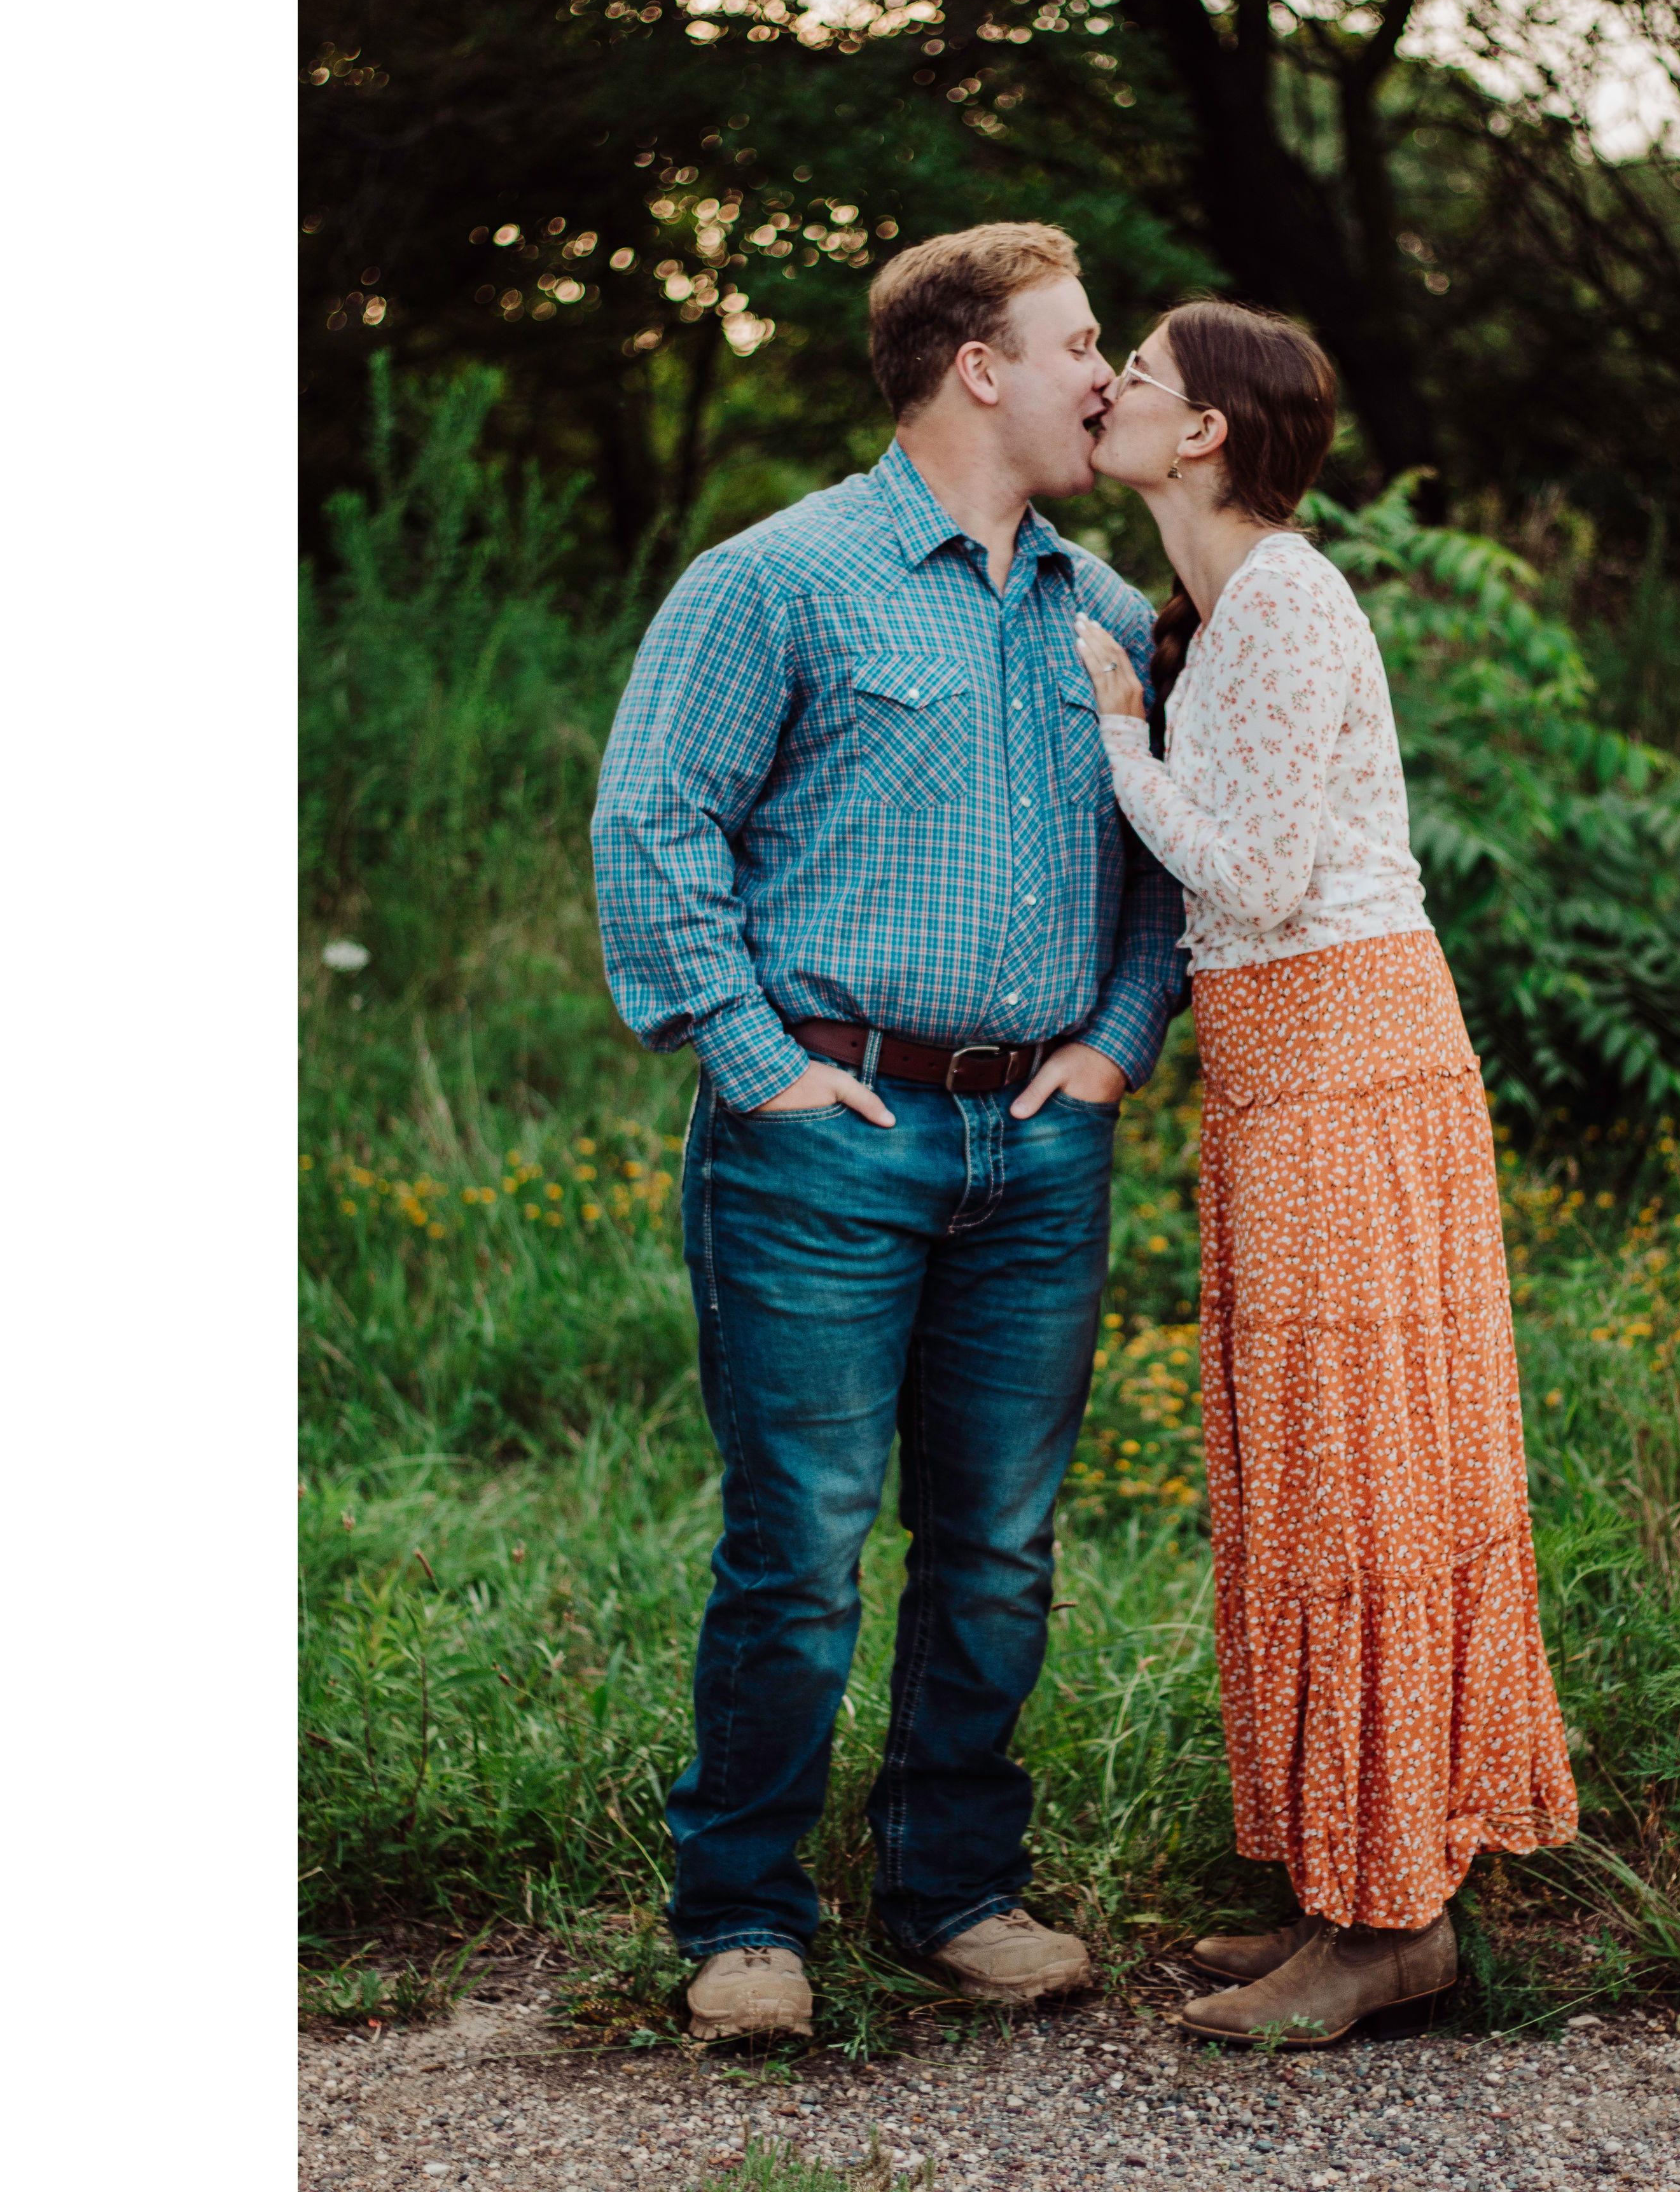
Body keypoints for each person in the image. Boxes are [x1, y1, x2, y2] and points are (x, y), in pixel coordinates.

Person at [592, 223, 1187, 2041]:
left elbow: (1163, 864)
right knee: (803, 1544)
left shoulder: (1110, 613)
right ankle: (743, 1912)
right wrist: (756, 1060)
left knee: (998, 1545)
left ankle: (954, 1888)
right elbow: (654, 823)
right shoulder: (778, 581)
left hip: (1038, 1143)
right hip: (826, 1137)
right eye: (1079, 344)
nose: (1109, 376)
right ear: (977, 368)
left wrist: (1116, 1044)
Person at [1073, 300, 1580, 2048]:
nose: (1111, 390)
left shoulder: (1285, 597)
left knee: (1361, 1479)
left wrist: (1121, 737)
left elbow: (1265, 874)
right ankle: (1353, 1888)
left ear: (1207, 431)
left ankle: (1387, 1925)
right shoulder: (1227, 611)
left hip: (1349, 1061)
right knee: (1314, 1474)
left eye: (1139, 375)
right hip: (1290, 1068)